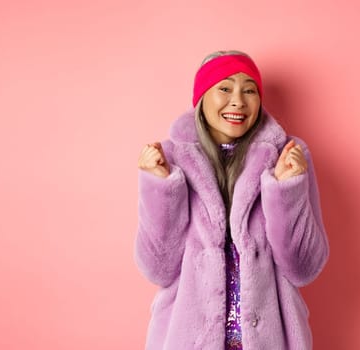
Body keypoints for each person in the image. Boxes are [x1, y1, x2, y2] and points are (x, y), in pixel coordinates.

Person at [134, 50, 329, 349]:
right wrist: (161, 187)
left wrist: (286, 188)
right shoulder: (171, 159)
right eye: (224, 88)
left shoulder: (288, 157)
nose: (238, 100)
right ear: (201, 98)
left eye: (249, 90)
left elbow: (303, 268)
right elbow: (158, 268)